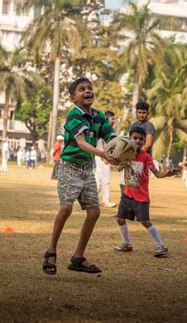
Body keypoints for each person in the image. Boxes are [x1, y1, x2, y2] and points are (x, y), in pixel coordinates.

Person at [42, 77, 117, 275]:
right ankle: (51, 251)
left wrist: (122, 153)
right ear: (73, 97)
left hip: (87, 169)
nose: (88, 91)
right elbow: (82, 142)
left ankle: (78, 257)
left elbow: (113, 139)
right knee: (66, 208)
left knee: (94, 212)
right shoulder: (74, 115)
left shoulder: (100, 117)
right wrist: (103, 154)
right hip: (69, 167)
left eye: (90, 88)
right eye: (82, 89)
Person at [114, 127, 178, 257]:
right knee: (120, 219)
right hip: (127, 194)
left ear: (144, 141)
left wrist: (167, 174)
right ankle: (126, 243)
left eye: (140, 139)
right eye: (135, 138)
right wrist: (122, 163)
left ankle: (161, 245)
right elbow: (119, 167)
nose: (137, 141)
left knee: (145, 221)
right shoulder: (126, 153)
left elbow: (158, 174)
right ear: (130, 139)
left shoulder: (146, 157)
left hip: (141, 197)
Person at [120, 101, 156, 192]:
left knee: (136, 186)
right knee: (124, 183)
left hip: (142, 160)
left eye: (144, 113)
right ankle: (125, 201)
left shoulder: (149, 126)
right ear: (136, 113)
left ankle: (135, 204)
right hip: (131, 159)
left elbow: (148, 144)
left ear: (148, 113)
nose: (141, 115)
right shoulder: (134, 125)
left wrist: (134, 154)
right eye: (139, 112)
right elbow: (130, 142)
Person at [95, 110, 117, 207]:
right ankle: (106, 200)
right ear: (107, 119)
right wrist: (104, 157)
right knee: (106, 179)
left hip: (103, 156)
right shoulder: (103, 129)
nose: (114, 121)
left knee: (98, 179)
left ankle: (92, 199)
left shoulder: (110, 130)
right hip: (102, 156)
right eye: (112, 119)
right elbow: (100, 143)